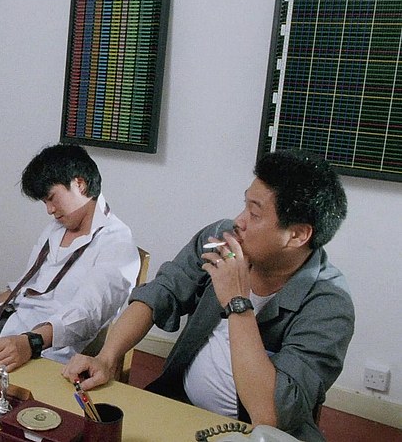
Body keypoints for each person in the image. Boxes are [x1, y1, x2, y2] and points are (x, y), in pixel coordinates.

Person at [62, 149, 353, 442]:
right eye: (245, 205)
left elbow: (269, 415)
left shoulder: (329, 307)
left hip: (252, 434)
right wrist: (107, 357)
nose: (239, 221)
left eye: (254, 214)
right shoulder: (222, 239)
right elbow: (162, 292)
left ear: (298, 235)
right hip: (178, 404)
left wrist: (238, 302)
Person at [0, 144, 140, 374]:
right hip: (4, 326)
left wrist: (30, 342)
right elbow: (25, 286)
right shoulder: (55, 229)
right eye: (45, 202)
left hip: (44, 350)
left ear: (80, 184)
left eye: (52, 198)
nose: (50, 210)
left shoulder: (116, 244)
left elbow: (87, 315)